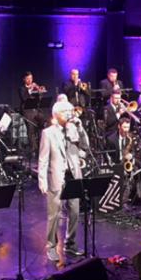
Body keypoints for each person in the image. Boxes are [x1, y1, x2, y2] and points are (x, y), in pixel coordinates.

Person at [38, 101, 89, 261]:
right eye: (65, 111)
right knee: (54, 214)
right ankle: (51, 246)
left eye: (70, 110)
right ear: (56, 114)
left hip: (73, 175)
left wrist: (80, 128)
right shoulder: (48, 133)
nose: (69, 113)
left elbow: (85, 146)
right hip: (56, 176)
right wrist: (42, 180)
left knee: (74, 211)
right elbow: (43, 159)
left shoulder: (73, 128)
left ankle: (71, 244)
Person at [18, 71, 47, 152]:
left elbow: (40, 99)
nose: (30, 80)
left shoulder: (35, 88)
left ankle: (42, 145)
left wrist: (39, 91)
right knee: (31, 129)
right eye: (28, 79)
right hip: (27, 111)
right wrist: (30, 89)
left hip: (36, 110)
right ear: (24, 79)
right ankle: (33, 149)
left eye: (31, 78)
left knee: (43, 123)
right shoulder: (21, 89)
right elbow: (24, 98)